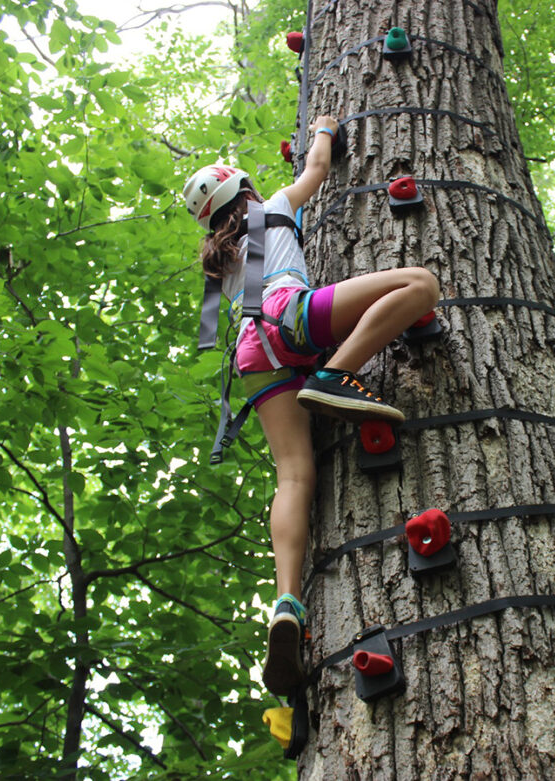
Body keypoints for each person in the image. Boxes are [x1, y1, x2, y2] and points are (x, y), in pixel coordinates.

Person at [182, 115, 439, 695]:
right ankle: (337, 374)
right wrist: (323, 128)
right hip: (291, 318)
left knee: (294, 476)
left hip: (254, 353)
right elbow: (318, 171)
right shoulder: (271, 204)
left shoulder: (220, 262)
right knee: (420, 284)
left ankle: (286, 601)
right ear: (243, 191)